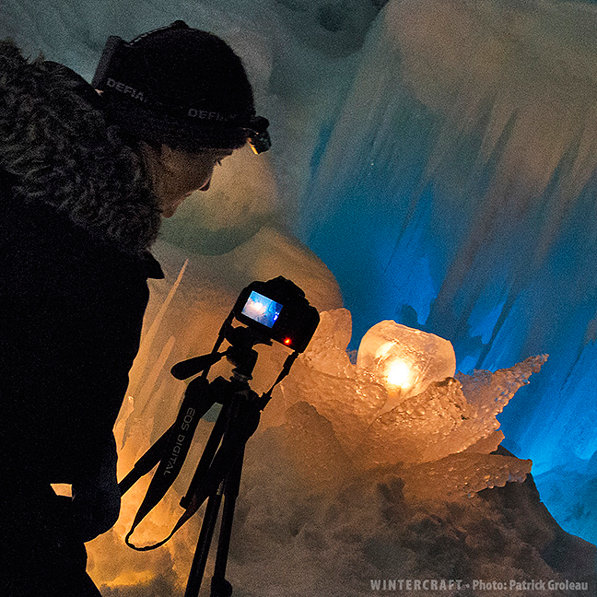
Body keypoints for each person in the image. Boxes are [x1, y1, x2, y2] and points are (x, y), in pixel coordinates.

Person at [0, 21, 270, 596]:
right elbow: (49, 436)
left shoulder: (21, 174)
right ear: (169, 144)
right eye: (214, 161)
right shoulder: (90, 266)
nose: (204, 185)